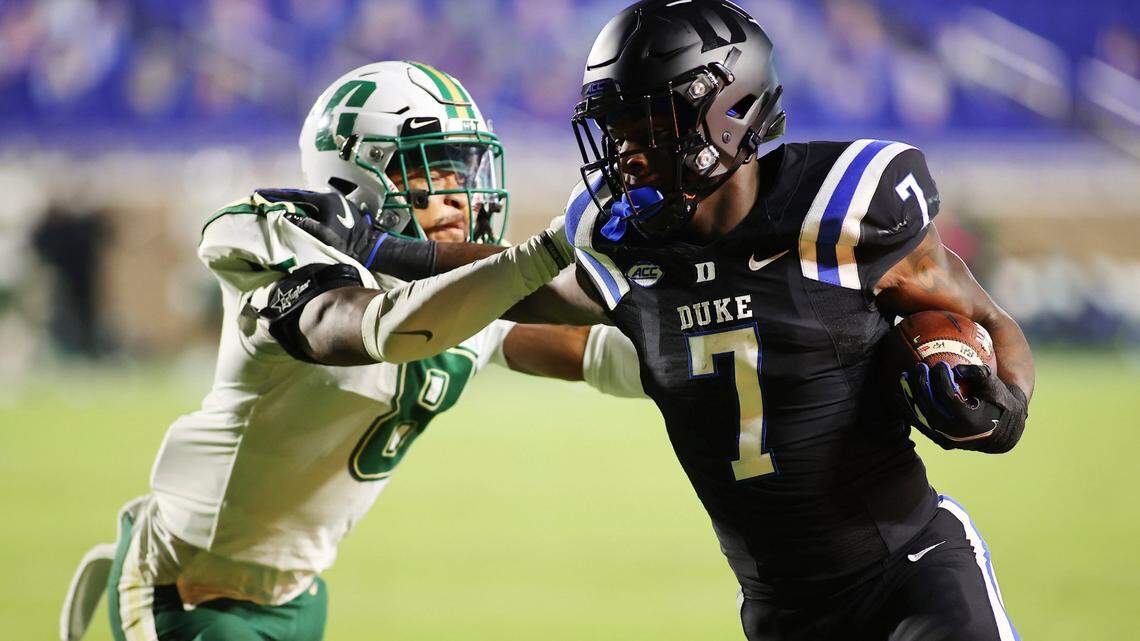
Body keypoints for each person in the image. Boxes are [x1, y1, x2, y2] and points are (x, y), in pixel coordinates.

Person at [60, 60, 643, 641]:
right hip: (188, 588)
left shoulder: (470, 294)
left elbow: (598, 353)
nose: (459, 197)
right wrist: (551, 250)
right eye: (430, 173)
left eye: (464, 169)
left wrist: (707, 334)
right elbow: (378, 329)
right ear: (356, 175)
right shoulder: (284, 247)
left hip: (300, 595)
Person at [550, 2, 1034, 640]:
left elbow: (989, 319)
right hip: (782, 613)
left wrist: (1004, 405)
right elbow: (499, 301)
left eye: (648, 127)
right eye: (618, 130)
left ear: (728, 114)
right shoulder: (623, 245)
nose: (629, 155)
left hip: (912, 574)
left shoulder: (838, 214)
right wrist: (393, 258)